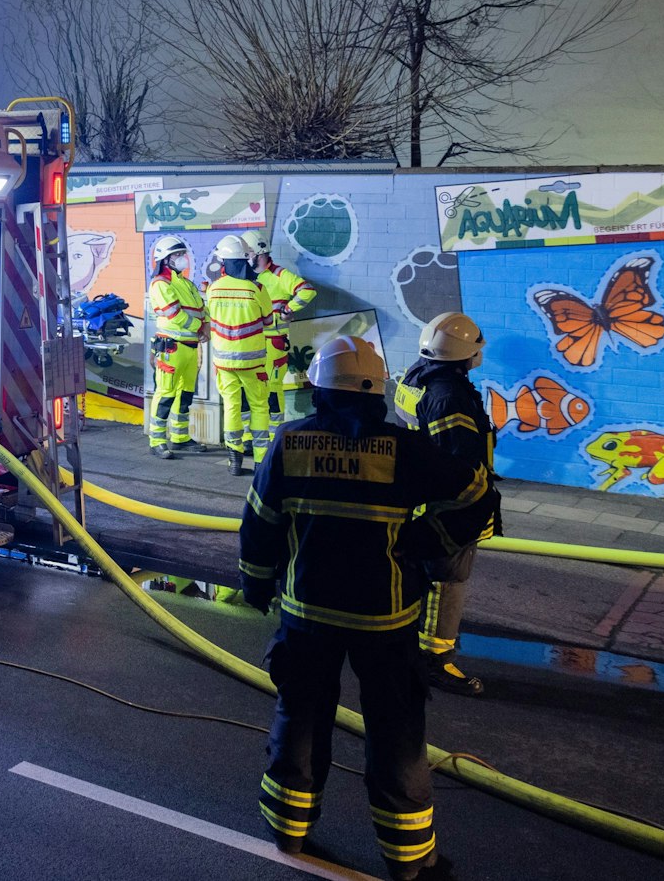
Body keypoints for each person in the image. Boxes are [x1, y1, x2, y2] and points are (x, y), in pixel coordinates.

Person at [239, 335, 487, 881]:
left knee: (300, 719)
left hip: (308, 616)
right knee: (396, 731)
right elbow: (473, 491)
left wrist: (256, 586)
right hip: (387, 619)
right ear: (378, 391)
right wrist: (428, 538)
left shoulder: (289, 443)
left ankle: (287, 829)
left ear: (318, 389)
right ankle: (409, 861)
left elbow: (260, 525)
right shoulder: (405, 449)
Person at [393, 313, 501, 697]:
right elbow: (456, 462)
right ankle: (436, 661)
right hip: (446, 507)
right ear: (464, 353)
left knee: (419, 577)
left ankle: (410, 649)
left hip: (419, 499)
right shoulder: (449, 396)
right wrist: (471, 508)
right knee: (447, 581)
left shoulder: (416, 376)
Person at [206, 234, 273, 475]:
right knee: (258, 407)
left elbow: (210, 318)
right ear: (245, 260)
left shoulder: (213, 289)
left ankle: (234, 462)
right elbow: (268, 320)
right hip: (253, 362)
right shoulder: (257, 289)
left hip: (224, 361)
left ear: (224, 263)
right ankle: (260, 461)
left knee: (232, 407)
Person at [244, 231, 319, 419]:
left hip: (273, 343)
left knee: (272, 388)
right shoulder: (245, 277)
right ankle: (250, 436)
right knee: (249, 388)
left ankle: (274, 433)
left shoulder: (279, 275)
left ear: (260, 253)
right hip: (251, 342)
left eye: (248, 253)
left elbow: (307, 291)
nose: (246, 258)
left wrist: (288, 310)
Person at [144, 234, 207, 458]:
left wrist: (204, 324)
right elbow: (175, 314)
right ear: (165, 259)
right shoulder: (160, 284)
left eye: (182, 254)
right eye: (177, 255)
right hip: (171, 348)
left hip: (190, 348)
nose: (182, 259)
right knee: (166, 394)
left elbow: (201, 308)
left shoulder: (186, 284)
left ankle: (180, 438)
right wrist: (201, 327)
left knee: (185, 394)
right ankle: (157, 440)